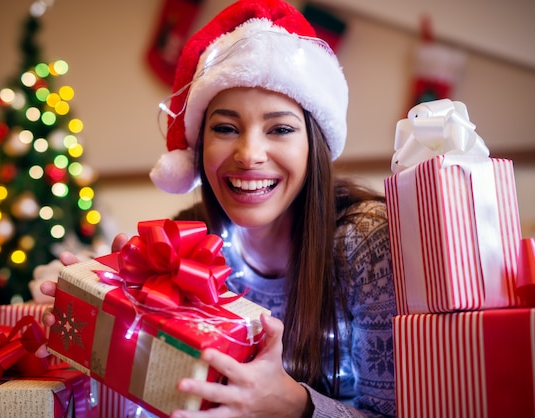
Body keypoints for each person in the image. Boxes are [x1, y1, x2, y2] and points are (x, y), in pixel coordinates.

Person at [38, 0, 397, 416]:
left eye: (280, 129)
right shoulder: (184, 245)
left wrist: (296, 406)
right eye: (225, 128)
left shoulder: (367, 243)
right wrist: (99, 326)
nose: (249, 155)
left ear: (314, 145)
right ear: (200, 145)